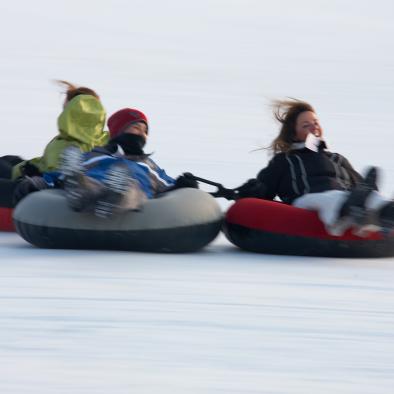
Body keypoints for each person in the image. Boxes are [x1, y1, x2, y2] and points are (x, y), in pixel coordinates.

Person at [215, 99, 394, 236]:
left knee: (370, 196)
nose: (313, 127)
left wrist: (369, 195)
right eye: (305, 125)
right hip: (306, 202)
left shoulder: (337, 159)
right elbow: (264, 191)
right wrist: (247, 192)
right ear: (294, 133)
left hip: (347, 197)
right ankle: (353, 212)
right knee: (333, 198)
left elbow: (362, 189)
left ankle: (382, 215)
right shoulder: (285, 161)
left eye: (315, 122)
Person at [15, 108, 198, 217]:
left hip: (132, 190)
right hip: (94, 183)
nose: (141, 134)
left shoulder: (148, 165)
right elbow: (58, 176)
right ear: (119, 132)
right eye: (136, 127)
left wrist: (183, 185)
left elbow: (167, 185)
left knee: (129, 187)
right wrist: (35, 182)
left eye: (145, 131)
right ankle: (80, 190)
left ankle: (115, 195)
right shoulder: (95, 156)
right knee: (85, 180)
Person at [1, 81, 109, 208]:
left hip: (37, 188)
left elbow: (61, 172)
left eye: (66, 109)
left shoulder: (70, 143)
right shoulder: (104, 139)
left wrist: (35, 173)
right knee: (9, 159)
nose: (63, 113)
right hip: (35, 172)